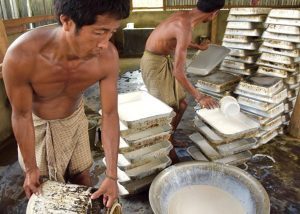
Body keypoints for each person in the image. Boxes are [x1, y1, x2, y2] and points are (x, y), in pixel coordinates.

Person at [2, 0, 130, 208]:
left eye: (111, 32)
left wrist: (112, 176)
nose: (105, 44)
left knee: (84, 181)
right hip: (39, 125)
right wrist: (30, 168)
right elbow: (21, 115)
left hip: (75, 119)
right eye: (100, 32)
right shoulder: (22, 56)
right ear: (67, 22)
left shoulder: (107, 57)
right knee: (44, 192)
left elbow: (109, 114)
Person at [140, 0, 223, 158]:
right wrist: (200, 97)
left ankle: (169, 136)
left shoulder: (184, 16)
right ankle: (166, 152)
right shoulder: (185, 27)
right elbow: (179, 72)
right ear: (214, 13)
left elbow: (177, 39)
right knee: (165, 110)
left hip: (163, 58)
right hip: (153, 63)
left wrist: (198, 47)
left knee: (182, 104)